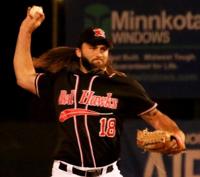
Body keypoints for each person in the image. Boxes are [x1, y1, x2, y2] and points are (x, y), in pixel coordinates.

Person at [13, 5, 186, 177]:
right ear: (79, 52)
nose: (99, 53)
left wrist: (176, 133)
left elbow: (154, 115)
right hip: (66, 173)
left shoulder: (122, 84)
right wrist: (25, 30)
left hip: (108, 173)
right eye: (93, 48)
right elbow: (24, 76)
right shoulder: (61, 80)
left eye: (103, 49)